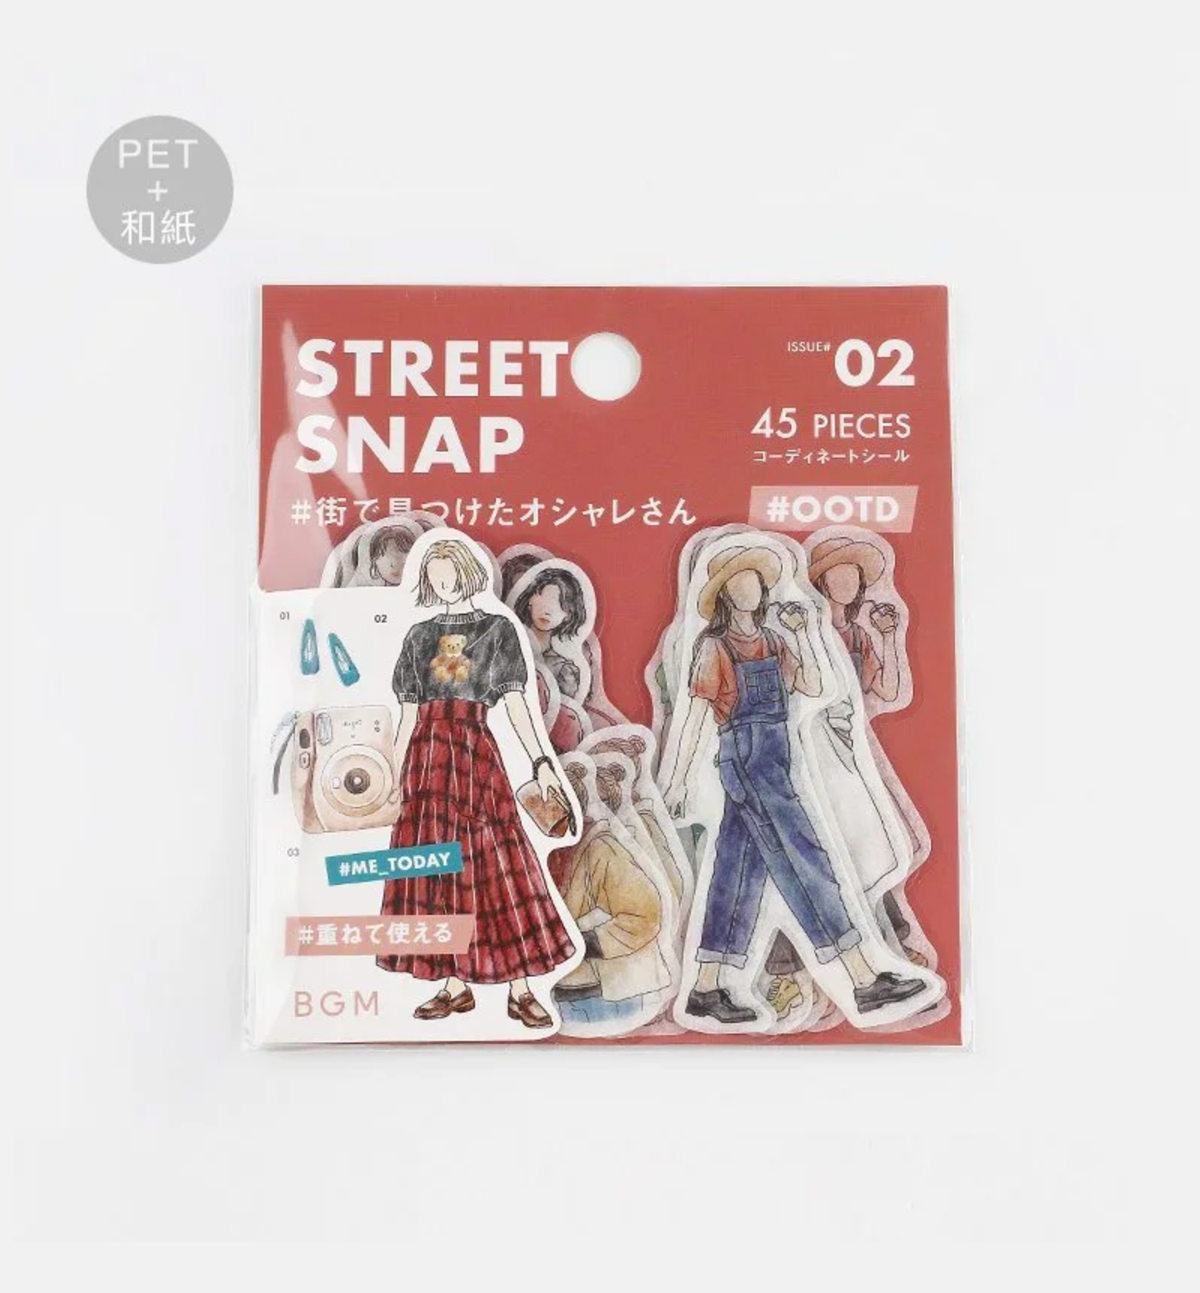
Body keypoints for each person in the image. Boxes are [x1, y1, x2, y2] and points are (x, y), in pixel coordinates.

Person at [662, 545, 926, 1024]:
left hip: (776, 759)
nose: (750, 588)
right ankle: (862, 976)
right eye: (739, 581)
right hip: (748, 761)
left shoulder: (772, 640)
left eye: (756, 580)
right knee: (808, 860)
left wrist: (804, 635)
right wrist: (678, 781)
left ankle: (706, 986)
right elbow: (695, 719)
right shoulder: (713, 647)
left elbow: (813, 686)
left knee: (736, 874)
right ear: (724, 593)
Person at [375, 539, 577, 1029]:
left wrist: (540, 761)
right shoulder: (419, 635)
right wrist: (391, 775)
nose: (443, 584)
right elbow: (406, 717)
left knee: (499, 867)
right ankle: (453, 985)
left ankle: (521, 989)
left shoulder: (497, 629)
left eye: (450, 574)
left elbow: (517, 704)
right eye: (435, 577)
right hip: (425, 761)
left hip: (474, 755)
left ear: (468, 573)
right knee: (435, 870)